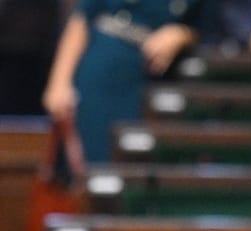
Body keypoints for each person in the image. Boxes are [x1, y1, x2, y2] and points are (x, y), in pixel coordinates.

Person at [42, 0, 214, 163]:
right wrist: (59, 83)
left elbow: (211, 30)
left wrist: (182, 34)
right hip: (102, 72)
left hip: (157, 81)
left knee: (145, 165)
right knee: (95, 162)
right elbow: (81, 19)